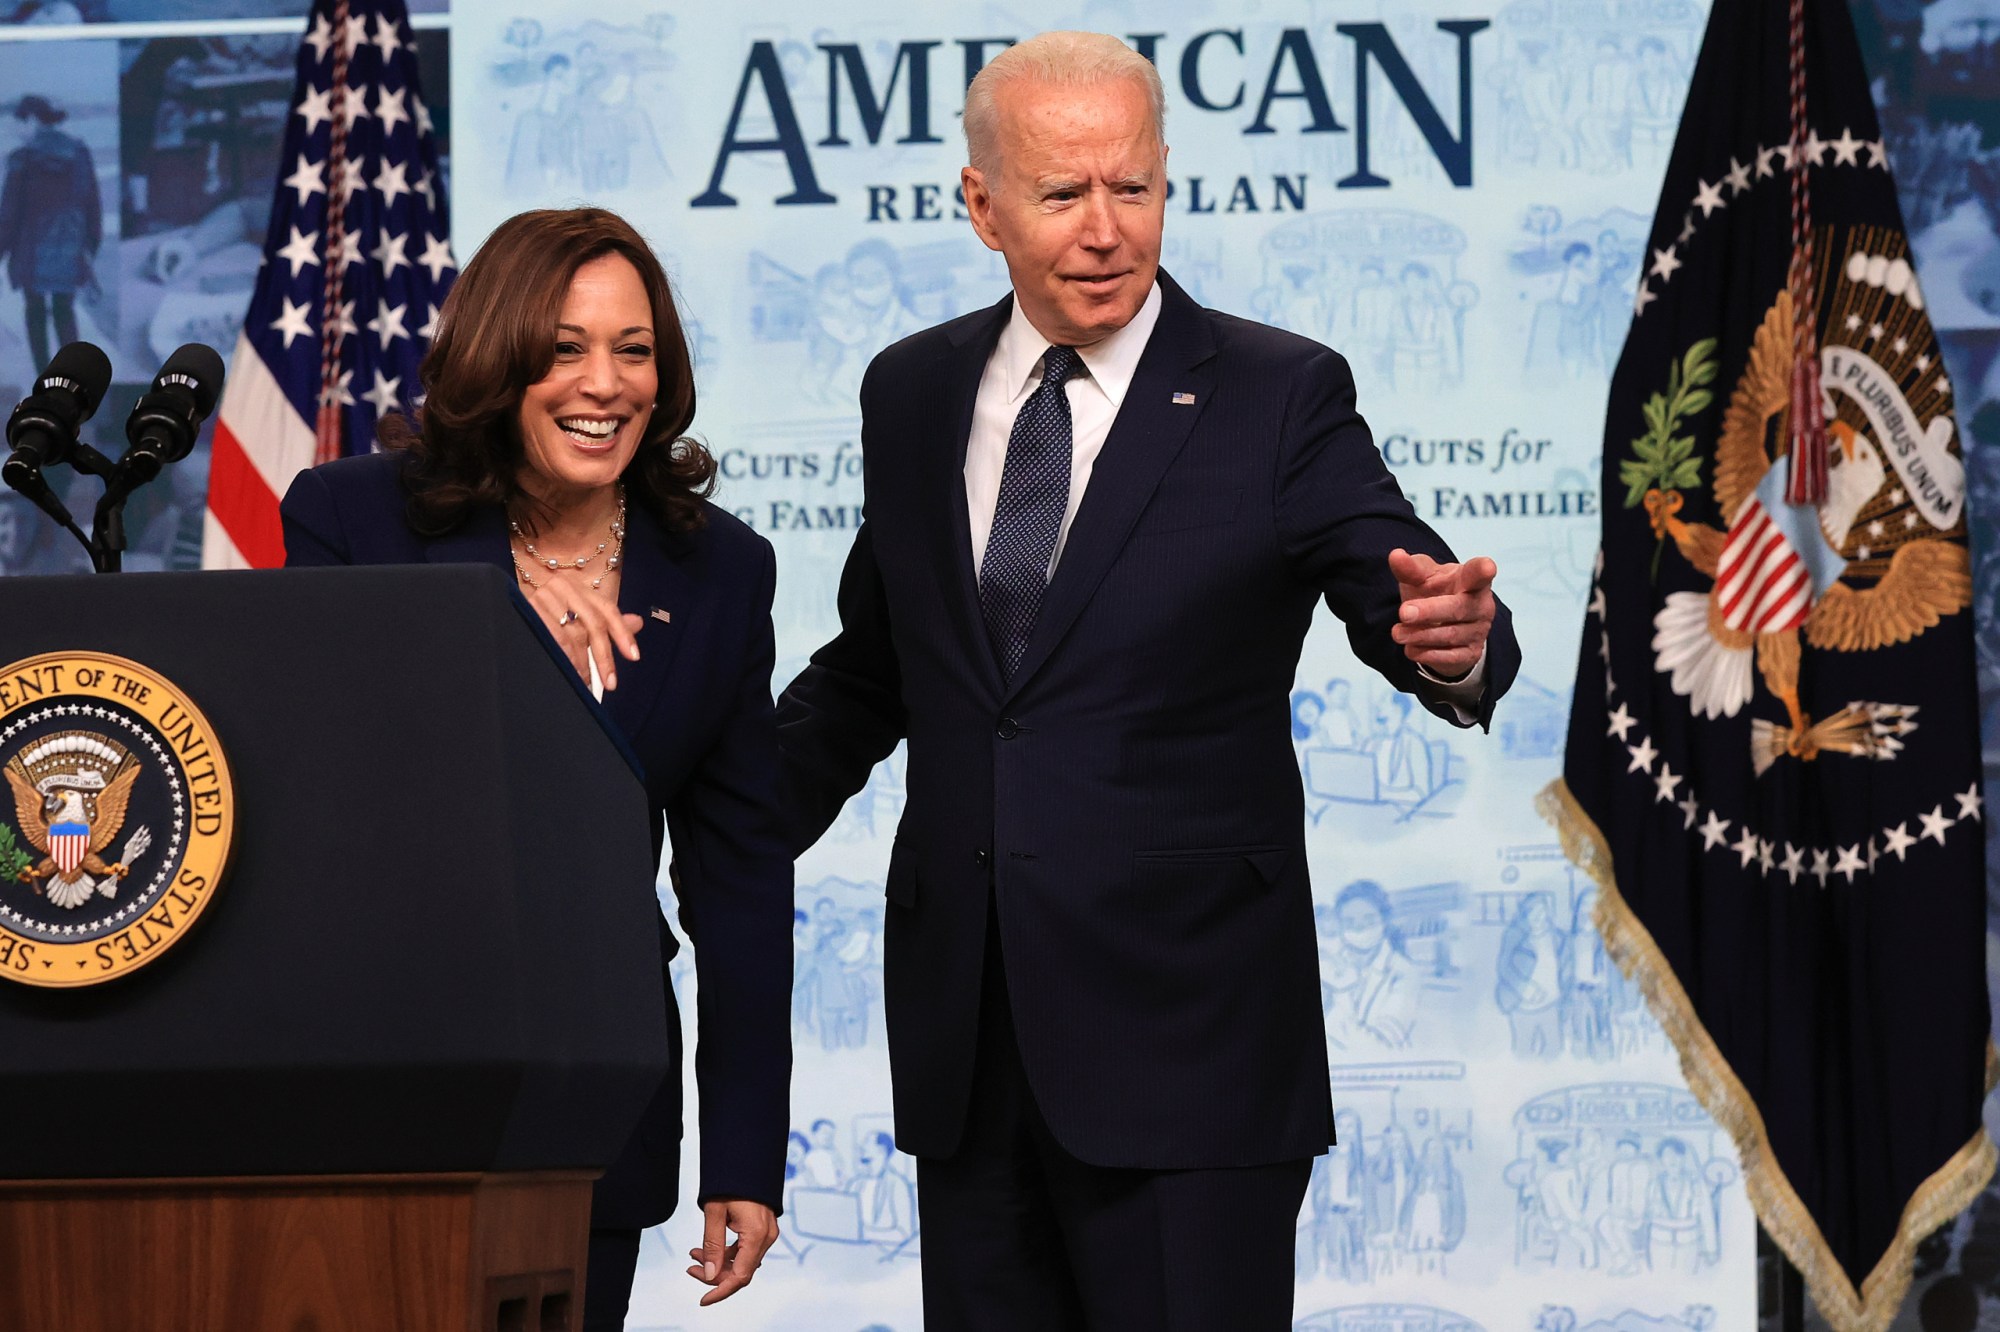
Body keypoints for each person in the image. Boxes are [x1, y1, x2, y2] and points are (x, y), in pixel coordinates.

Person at [774, 33, 1520, 1328]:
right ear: (983, 205)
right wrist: (679, 816)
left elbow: (1404, 584)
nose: (1109, 229)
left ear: (1169, 180)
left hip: (1194, 1053)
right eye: (1065, 196)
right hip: (968, 1047)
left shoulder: (1279, 393)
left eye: (1137, 188)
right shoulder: (910, 393)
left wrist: (1454, 645)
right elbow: (878, 670)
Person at [277, 207, 790, 1328]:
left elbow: (741, 880)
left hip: (592, 1086)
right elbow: (325, 798)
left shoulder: (719, 569)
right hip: (381, 1068)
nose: (601, 383)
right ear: (496, 356)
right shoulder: (352, 518)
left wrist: (745, 1156)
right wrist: (489, 633)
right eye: (562, 348)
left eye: (633, 349)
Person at [0, 95, 101, 374]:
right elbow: (91, 202)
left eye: (18, 123)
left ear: (32, 119)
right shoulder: (79, 152)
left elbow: (9, 215)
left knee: (34, 311)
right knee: (64, 310)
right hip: (70, 245)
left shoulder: (21, 159)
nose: (16, 131)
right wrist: (90, 245)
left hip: (30, 250)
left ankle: (43, 377)